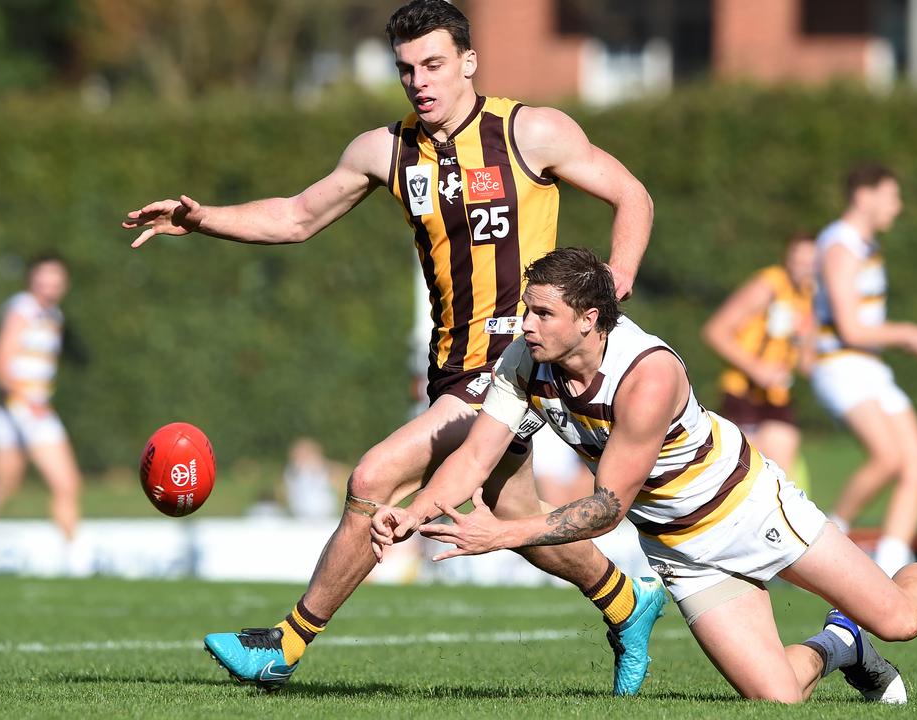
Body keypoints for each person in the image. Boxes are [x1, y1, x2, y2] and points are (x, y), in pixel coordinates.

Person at [121, 1, 661, 694]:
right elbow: (295, 217)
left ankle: (281, 647)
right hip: (451, 367)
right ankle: (627, 600)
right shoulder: (385, 150)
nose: (420, 81)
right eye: (407, 70)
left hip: (516, 363)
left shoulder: (532, 131)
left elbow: (633, 196)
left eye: (434, 65)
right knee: (517, 514)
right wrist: (201, 220)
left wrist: (615, 282)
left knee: (373, 480)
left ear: (468, 61)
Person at [371, 248, 917, 704]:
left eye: (542, 311)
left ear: (590, 319)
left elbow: (608, 506)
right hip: (682, 551)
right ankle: (840, 644)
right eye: (528, 308)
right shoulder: (527, 359)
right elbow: (473, 457)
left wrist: (507, 533)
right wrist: (411, 511)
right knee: (778, 697)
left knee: (901, 620)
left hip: (750, 509)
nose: (527, 322)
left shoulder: (646, 376)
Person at [812, 164, 917, 575]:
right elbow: (848, 327)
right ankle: (822, 542)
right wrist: (907, 333)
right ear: (864, 196)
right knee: (887, 458)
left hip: (869, 367)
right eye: (892, 196)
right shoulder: (841, 246)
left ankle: (892, 568)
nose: (897, 207)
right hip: (842, 365)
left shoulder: (865, 245)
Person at [0, 254, 89, 574]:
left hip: (10, 411)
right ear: (32, 279)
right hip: (24, 408)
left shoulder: (52, 315)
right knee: (67, 482)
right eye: (44, 278)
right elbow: (0, 364)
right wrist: (28, 401)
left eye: (56, 279)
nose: (50, 285)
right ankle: (76, 563)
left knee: (3, 484)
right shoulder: (24, 309)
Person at [701, 235, 815, 474]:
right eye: (797, 259)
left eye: (809, 261)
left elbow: (807, 363)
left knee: (782, 461)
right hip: (743, 391)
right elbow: (715, 331)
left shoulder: (810, 296)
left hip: (777, 395)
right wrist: (756, 368)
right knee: (744, 472)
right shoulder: (768, 286)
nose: (802, 267)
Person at [281, 437, 347, 520]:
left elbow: (339, 473)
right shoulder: (292, 470)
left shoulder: (324, 467)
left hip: (325, 515)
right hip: (301, 515)